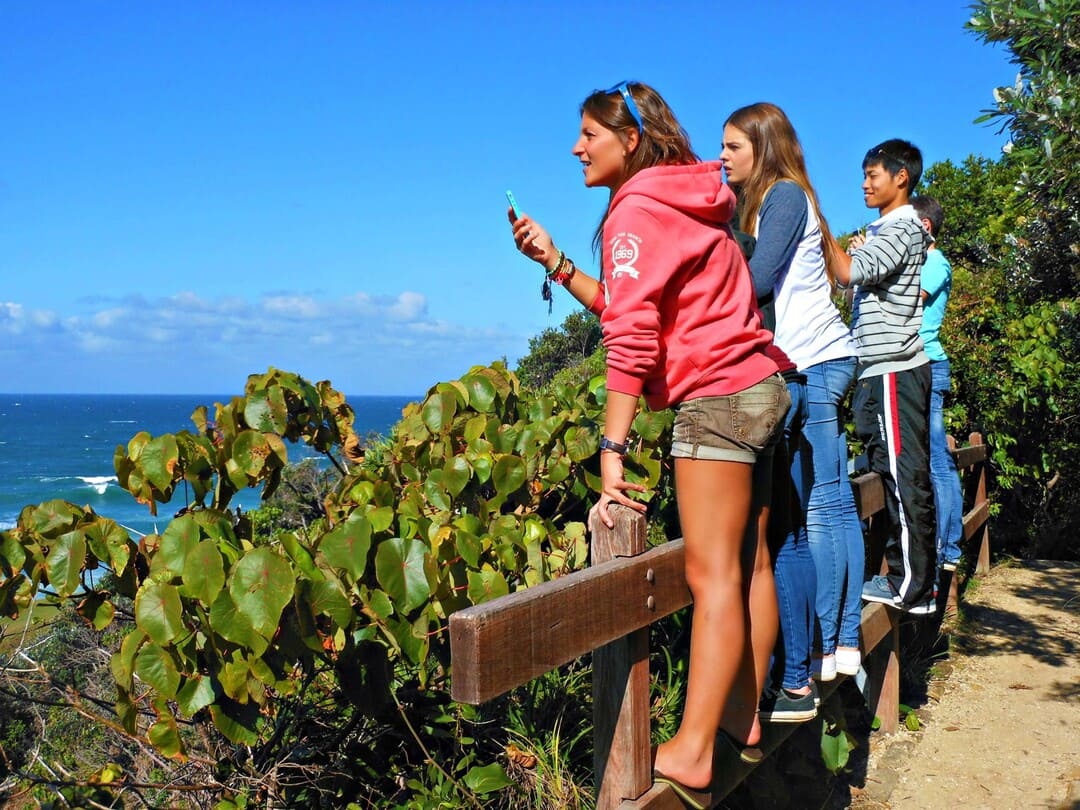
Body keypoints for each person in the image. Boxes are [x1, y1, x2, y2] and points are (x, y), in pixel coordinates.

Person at [509, 80, 788, 805]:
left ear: (628, 140)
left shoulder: (635, 210)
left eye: (589, 136)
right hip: (759, 384)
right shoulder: (683, 196)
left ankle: (694, 750)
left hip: (716, 399)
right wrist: (557, 263)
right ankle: (741, 715)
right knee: (751, 564)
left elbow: (632, 338)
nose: (576, 148)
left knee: (710, 576)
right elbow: (638, 306)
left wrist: (612, 449)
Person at [721, 103, 866, 712]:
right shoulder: (784, 198)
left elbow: (752, 281)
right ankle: (816, 656)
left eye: (732, 146)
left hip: (814, 363)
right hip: (805, 364)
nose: (722, 156)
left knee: (809, 518)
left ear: (762, 146)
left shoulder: (781, 195)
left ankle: (834, 647)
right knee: (804, 518)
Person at [830, 139, 937, 615]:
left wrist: (810, 220)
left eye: (873, 175)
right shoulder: (888, 231)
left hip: (895, 368)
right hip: (880, 370)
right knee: (892, 474)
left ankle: (912, 587)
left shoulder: (903, 227)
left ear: (901, 178)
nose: (864, 184)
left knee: (903, 475)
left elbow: (852, 271)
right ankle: (908, 578)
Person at [912, 194, 963, 573]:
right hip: (920, 366)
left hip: (929, 364)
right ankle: (943, 547)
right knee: (927, 459)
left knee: (937, 460)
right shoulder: (925, 261)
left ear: (924, 226)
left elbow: (912, 300)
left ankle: (948, 548)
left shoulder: (934, 262)